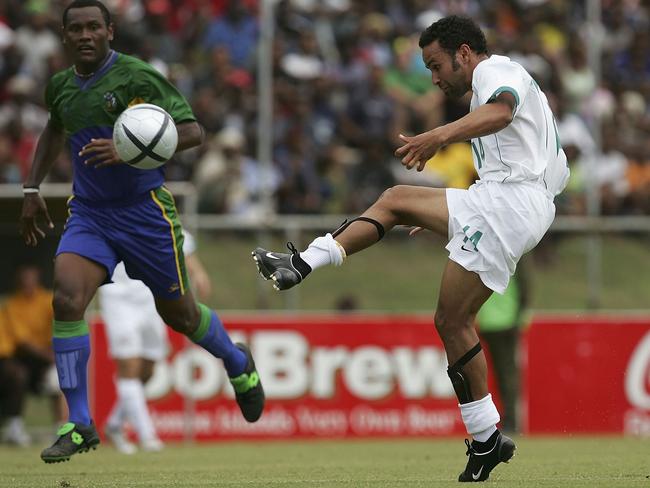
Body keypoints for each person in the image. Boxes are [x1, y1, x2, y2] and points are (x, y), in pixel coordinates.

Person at [253, 15, 569, 483]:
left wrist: (439, 136)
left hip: (511, 205)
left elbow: (503, 111)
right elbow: (536, 164)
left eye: (437, 65)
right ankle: (485, 439)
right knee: (448, 315)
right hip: (513, 204)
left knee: (398, 203)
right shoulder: (511, 82)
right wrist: (455, 213)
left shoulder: (492, 72)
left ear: (464, 53)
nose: (435, 77)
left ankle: (302, 262)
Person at [19, 0, 264, 464]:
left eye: (95, 26)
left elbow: (193, 132)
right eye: (77, 29)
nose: (86, 35)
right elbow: (54, 129)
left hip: (144, 213)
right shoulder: (60, 88)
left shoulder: (135, 77)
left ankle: (237, 362)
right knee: (67, 298)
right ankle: (79, 422)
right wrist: (31, 186)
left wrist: (128, 149)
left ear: (110, 31)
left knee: (182, 317)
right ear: (65, 35)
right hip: (90, 213)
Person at [99, 231, 210, 454]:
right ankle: (147, 436)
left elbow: (183, 246)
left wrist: (199, 274)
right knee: (129, 368)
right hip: (117, 299)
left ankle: (114, 424)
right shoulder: (110, 215)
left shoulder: (158, 214)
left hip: (150, 298)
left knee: (148, 370)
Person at [476, 265, 529, 434]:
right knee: (506, 374)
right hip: (506, 320)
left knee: (502, 374)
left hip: (493, 321)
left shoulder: (481, 254)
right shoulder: (512, 253)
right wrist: (523, 313)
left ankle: (509, 421)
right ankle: (510, 421)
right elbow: (526, 286)